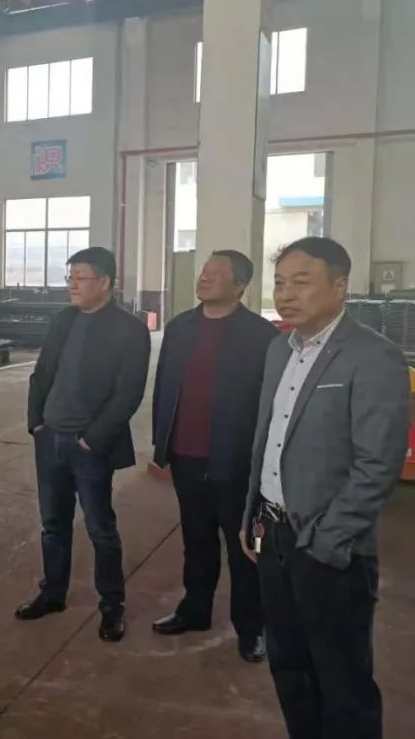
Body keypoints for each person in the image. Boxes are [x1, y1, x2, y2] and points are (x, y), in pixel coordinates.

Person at [240, 237, 409, 739]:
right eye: (279, 283)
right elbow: (268, 441)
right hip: (273, 534)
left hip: (330, 545)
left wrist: (328, 538)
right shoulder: (279, 350)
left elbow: (377, 464)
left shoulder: (373, 357)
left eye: (301, 282)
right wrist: (254, 518)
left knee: (342, 679)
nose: (285, 294)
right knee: (289, 665)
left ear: (340, 286)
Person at [150, 250, 278, 662]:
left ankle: (252, 627)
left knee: (247, 547)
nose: (204, 278)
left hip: (237, 462)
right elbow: (164, 387)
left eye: (216, 274)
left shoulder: (261, 336)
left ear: (240, 285)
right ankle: (195, 610)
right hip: (186, 455)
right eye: (204, 271)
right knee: (196, 540)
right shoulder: (180, 327)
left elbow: (272, 403)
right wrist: (161, 444)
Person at [18, 246, 151, 643]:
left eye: (81, 277)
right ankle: (52, 593)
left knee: (100, 528)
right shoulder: (63, 320)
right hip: (50, 440)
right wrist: (36, 423)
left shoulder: (129, 329)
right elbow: (42, 373)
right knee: (53, 524)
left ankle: (112, 606)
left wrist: (92, 438)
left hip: (89, 447)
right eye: (70, 277)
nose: (72, 285)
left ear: (105, 282)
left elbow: (128, 394)